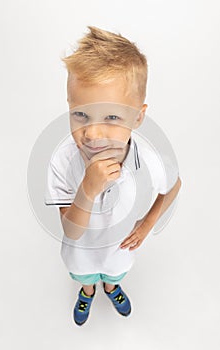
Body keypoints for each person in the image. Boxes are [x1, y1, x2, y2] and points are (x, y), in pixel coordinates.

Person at [44, 26, 182, 326]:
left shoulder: (149, 161)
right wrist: (87, 191)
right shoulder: (62, 160)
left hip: (120, 250)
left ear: (138, 117)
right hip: (79, 252)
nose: (92, 133)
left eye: (111, 117)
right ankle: (87, 290)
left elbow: (173, 186)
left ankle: (111, 287)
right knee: (84, 274)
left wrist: (147, 224)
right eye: (81, 114)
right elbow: (71, 232)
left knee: (114, 272)